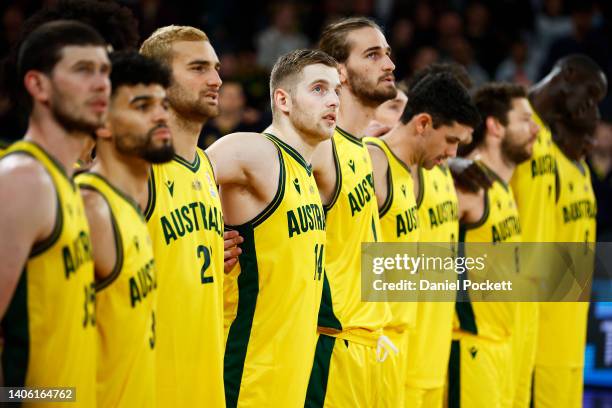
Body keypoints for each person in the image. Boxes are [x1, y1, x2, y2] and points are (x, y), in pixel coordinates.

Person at [206, 49, 339, 407]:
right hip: (248, 373)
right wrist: (198, 243)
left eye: (337, 90)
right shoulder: (253, 149)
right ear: (283, 99)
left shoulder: (306, 170)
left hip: (290, 375)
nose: (333, 100)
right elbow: (173, 179)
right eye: (319, 89)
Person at [0, 21, 110, 405]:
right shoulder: (21, 180)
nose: (101, 85)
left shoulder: (68, 183)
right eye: (83, 70)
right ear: (38, 85)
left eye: (105, 72)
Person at [363, 72, 478, 407]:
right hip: (375, 348)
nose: (453, 153)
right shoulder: (370, 160)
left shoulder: (412, 168)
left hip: (409, 343)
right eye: (451, 141)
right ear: (423, 123)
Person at [139, 26, 240, 407]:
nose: (215, 80)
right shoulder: (134, 167)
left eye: (215, 68)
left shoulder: (204, 168)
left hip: (203, 383)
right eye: (198, 68)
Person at [305, 17, 396, 408]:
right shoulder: (317, 147)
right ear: (339, 72)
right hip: (330, 346)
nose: (389, 64)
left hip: (370, 342)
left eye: (388, 54)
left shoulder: (362, 149)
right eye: (373, 54)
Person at [75, 51, 173, 407]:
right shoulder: (89, 210)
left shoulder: (129, 206)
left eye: (163, 104)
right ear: (102, 123)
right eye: (142, 106)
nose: (162, 115)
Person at [509, 54, 607, 407]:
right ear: (567, 75)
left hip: (566, 321)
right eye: (591, 93)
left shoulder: (552, 142)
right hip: (524, 313)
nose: (591, 108)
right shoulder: (513, 115)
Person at [450, 83, 538, 408]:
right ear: (495, 125)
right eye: (525, 120)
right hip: (471, 346)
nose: (536, 129)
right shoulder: (468, 185)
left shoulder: (502, 187)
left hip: (503, 348)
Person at [534, 100, 606, 408]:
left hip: (575, 314)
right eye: (584, 132)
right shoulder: (550, 165)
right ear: (562, 130)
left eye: (593, 133)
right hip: (547, 314)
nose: (591, 140)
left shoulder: (583, 170)